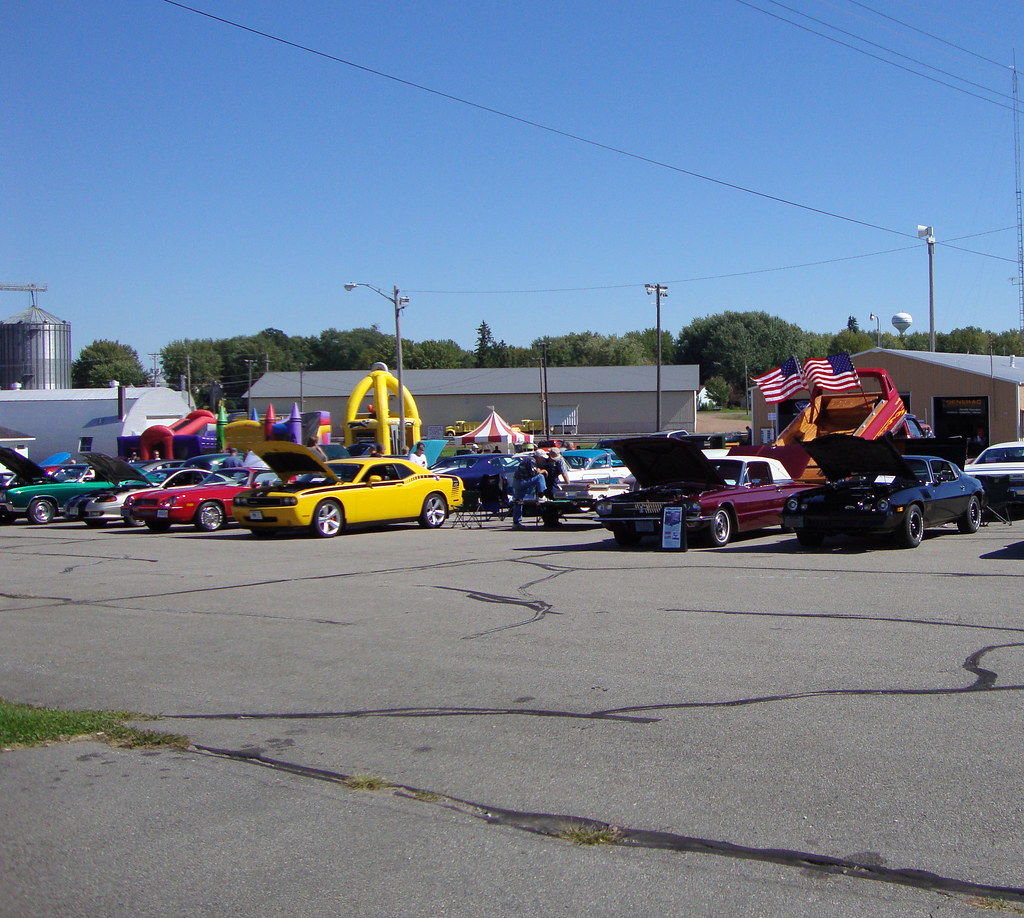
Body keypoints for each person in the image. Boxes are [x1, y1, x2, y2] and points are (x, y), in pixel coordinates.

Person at [511, 449, 548, 529]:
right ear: (538, 457)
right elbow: (533, 473)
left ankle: (516, 522)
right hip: (522, 481)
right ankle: (542, 494)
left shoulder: (528, 460)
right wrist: (542, 471)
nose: (543, 460)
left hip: (517, 481)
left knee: (518, 501)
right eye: (542, 458)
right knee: (540, 477)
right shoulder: (531, 460)